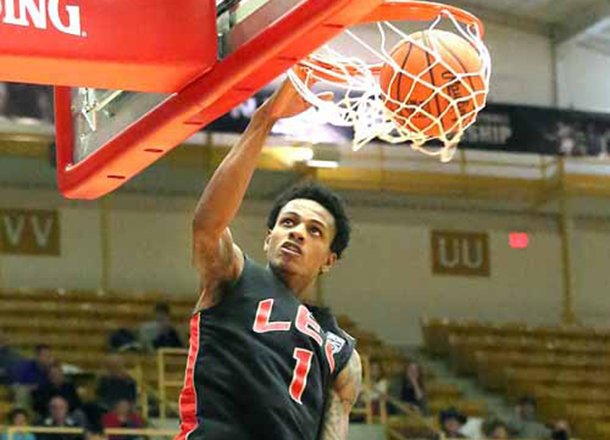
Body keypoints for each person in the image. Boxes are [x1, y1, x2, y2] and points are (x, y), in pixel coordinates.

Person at [175, 79, 361, 440]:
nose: (297, 233)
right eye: (288, 223)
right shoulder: (234, 275)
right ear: (268, 238)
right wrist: (264, 119)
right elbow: (206, 226)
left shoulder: (342, 351)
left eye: (315, 231)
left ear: (329, 260)